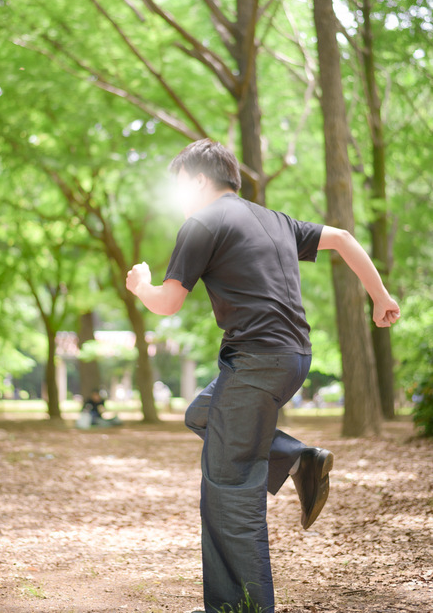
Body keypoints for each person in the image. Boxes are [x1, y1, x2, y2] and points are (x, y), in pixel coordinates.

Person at [125, 139, 400, 613]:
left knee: (229, 489)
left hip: (254, 361)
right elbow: (344, 239)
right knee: (203, 413)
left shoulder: (202, 224)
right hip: (293, 357)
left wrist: (141, 286)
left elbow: (167, 304)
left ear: (195, 178)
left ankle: (241, 608)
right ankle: (298, 459)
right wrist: (380, 295)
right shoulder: (274, 220)